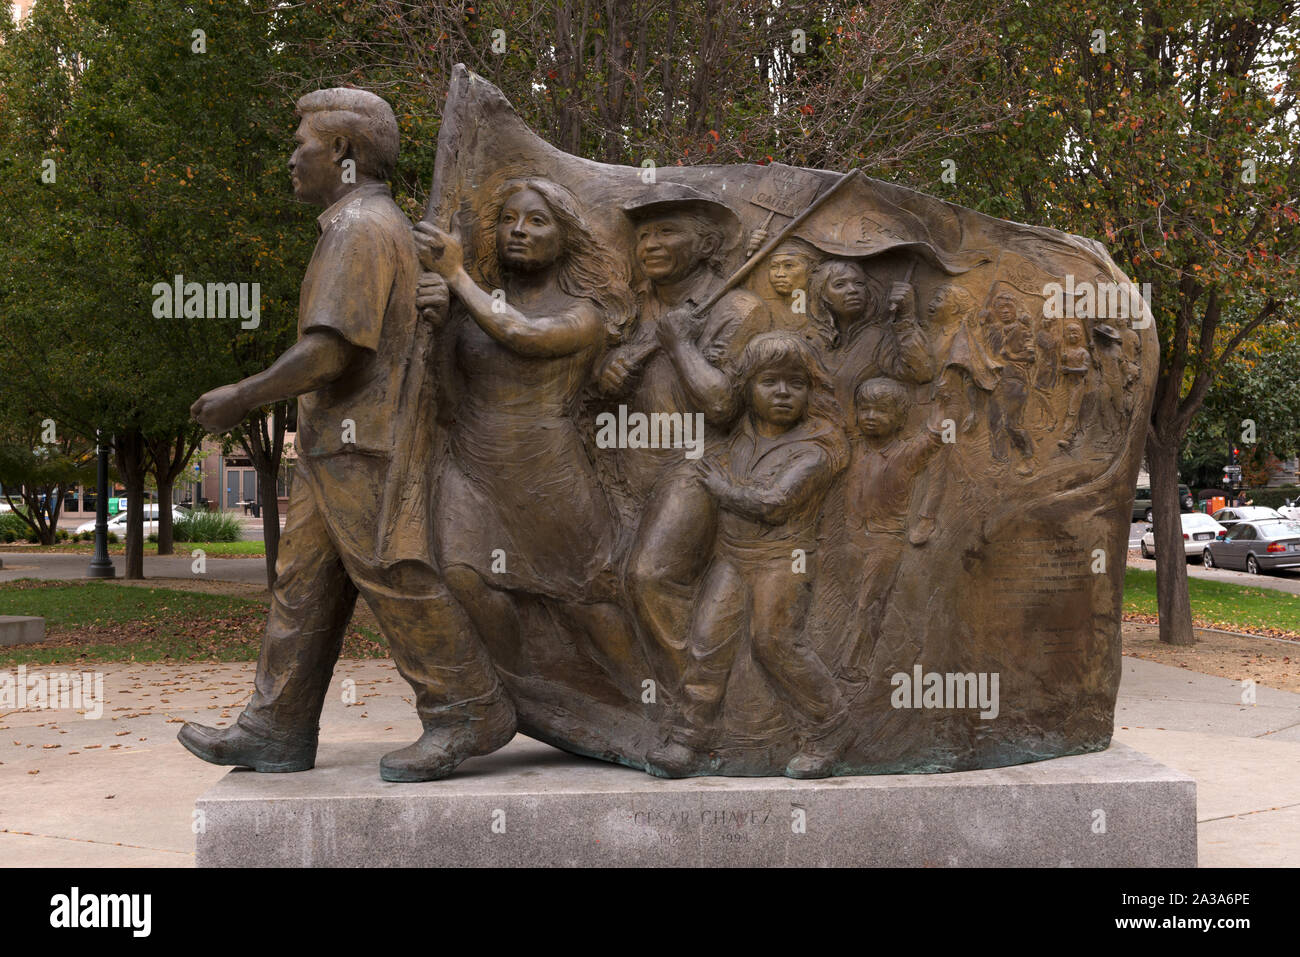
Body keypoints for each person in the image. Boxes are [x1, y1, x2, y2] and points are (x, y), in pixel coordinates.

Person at [179, 88, 511, 783]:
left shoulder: (360, 226)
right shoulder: (357, 223)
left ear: (342, 152)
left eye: (302, 143)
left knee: (396, 576)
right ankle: (276, 725)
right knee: (302, 585)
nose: (291, 157)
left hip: (367, 446)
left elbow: (332, 351)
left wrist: (242, 396)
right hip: (335, 448)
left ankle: (467, 710)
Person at [413, 178, 651, 699]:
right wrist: (435, 323)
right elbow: (446, 398)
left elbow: (524, 335)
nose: (518, 230)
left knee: (584, 600)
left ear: (565, 238)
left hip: (547, 475)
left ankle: (649, 703)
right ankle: (530, 695)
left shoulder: (583, 312)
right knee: (463, 577)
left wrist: (454, 275)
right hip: (473, 467)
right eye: (508, 219)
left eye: (537, 221)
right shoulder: (472, 307)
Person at [647, 332, 852, 779]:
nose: (783, 393)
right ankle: (688, 738)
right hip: (733, 557)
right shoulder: (739, 437)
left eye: (795, 384)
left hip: (783, 559)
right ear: (747, 387)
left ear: (809, 391)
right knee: (706, 643)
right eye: (770, 382)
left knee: (775, 643)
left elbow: (775, 503)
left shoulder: (816, 449)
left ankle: (828, 726)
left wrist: (719, 487)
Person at [596, 186, 770, 689]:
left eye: (667, 232)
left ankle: (698, 700)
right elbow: (594, 386)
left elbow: (721, 405)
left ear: (707, 245)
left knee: (650, 576)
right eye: (644, 235)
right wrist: (609, 371)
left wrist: (678, 344)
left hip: (698, 463)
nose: (649, 244)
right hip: (626, 461)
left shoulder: (738, 309)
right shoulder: (632, 305)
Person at [838, 378, 947, 683]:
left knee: (867, 602)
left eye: (881, 411)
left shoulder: (906, 454)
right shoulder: (852, 448)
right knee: (853, 600)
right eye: (865, 409)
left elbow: (935, 437)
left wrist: (944, 402)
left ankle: (854, 665)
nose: (871, 416)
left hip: (886, 540)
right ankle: (854, 653)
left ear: (900, 418)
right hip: (852, 537)